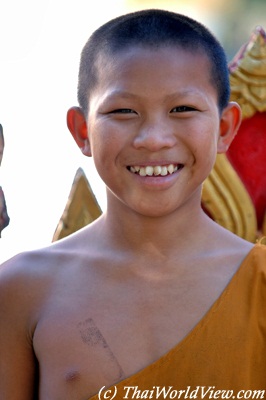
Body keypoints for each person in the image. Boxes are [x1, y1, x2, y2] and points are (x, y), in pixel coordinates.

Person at [0, 8, 265, 400]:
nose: (154, 138)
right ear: (82, 130)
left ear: (224, 128)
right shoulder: (22, 290)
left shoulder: (259, 285)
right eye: (123, 111)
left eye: (183, 110)